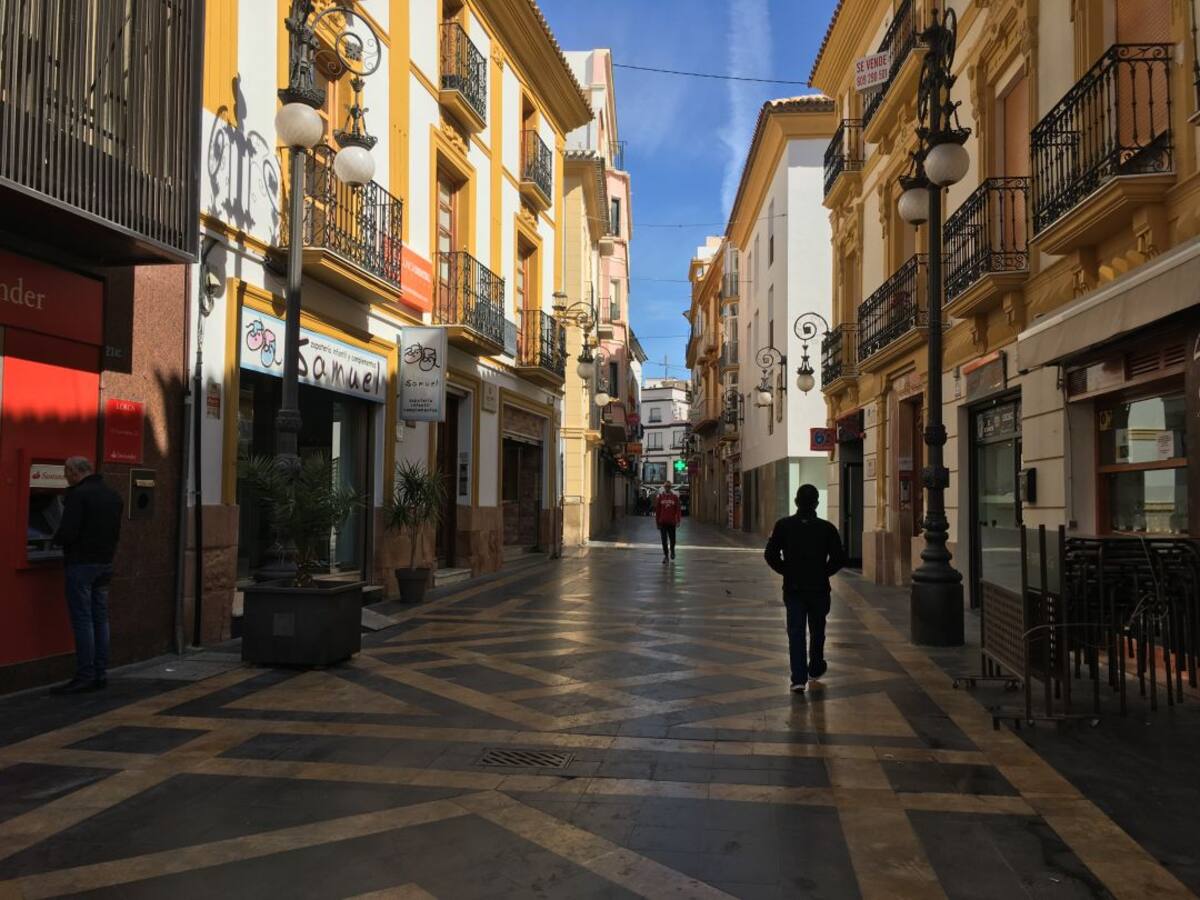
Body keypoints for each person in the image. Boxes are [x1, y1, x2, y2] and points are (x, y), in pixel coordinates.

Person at [764, 484, 846, 694]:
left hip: (794, 589)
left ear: (796, 502)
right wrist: (823, 572)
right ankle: (816, 667)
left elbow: (770, 555)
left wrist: (786, 570)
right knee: (818, 630)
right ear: (817, 503)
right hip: (819, 589)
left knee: (796, 632)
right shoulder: (827, 528)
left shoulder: (783, 526)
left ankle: (798, 678)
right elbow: (839, 558)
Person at [51, 457, 123, 695]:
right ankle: (100, 673)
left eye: (66, 473)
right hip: (105, 563)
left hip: (81, 564)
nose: (66, 477)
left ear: (74, 471)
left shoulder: (78, 495)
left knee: (83, 620)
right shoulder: (112, 495)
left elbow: (67, 531)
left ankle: (85, 676)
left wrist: (55, 540)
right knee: (100, 619)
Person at [654, 482, 682, 564]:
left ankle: (672, 550)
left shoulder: (675, 497)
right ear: (664, 487)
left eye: (669, 486)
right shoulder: (660, 497)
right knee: (664, 541)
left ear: (670, 487)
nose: (667, 488)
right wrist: (657, 523)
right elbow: (658, 511)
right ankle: (666, 556)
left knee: (672, 540)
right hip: (662, 522)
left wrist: (678, 520)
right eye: (666, 486)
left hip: (672, 522)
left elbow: (678, 510)